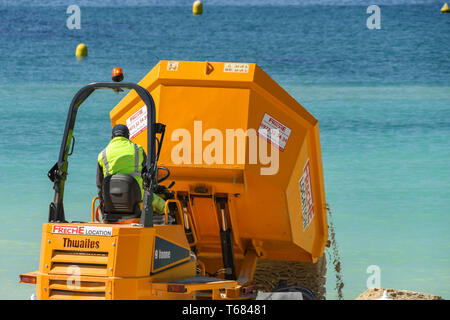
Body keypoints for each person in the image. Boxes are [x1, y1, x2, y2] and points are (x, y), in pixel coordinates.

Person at [96, 124, 166, 216]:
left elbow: (99, 184)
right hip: (138, 197)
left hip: (110, 200)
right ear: (128, 136)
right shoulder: (138, 150)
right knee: (164, 206)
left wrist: (103, 201)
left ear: (112, 137)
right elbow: (148, 175)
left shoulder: (102, 154)